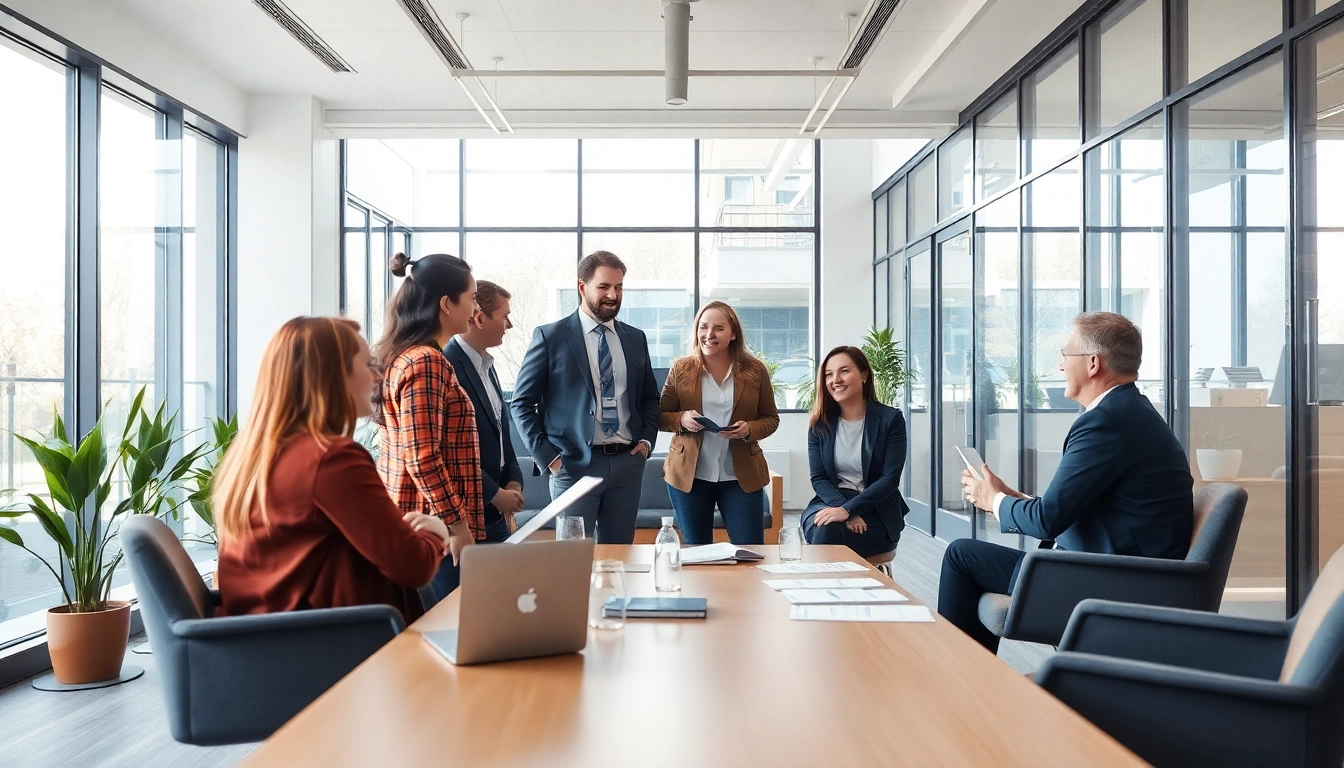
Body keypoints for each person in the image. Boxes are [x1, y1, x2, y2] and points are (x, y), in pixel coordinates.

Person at [941, 311, 1194, 652]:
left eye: (1065, 355)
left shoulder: (1104, 422)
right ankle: (972, 688)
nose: (1060, 366)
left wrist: (993, 501)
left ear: (1093, 364)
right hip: (1127, 571)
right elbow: (1070, 510)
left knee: (961, 556)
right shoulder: (1131, 411)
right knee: (966, 553)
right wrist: (1010, 498)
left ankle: (959, 689)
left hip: (1112, 582)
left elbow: (1048, 520)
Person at [214, 317, 448, 624]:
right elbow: (413, 567)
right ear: (334, 376)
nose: (378, 376)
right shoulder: (330, 459)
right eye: (367, 365)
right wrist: (436, 532)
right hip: (330, 645)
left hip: (269, 640)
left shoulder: (256, 454)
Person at [511, 250, 660, 544]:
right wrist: (550, 458)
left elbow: (649, 398)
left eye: (618, 287)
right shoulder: (549, 337)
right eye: (604, 286)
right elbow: (522, 404)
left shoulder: (635, 338)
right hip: (573, 466)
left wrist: (646, 441)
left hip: (627, 465)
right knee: (571, 562)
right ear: (582, 287)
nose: (613, 295)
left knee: (620, 558)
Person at [374, 252, 484, 601]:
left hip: (419, 524)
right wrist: (458, 525)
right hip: (435, 533)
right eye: (471, 298)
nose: (475, 308)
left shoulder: (404, 355)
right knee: (446, 634)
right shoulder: (426, 362)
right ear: (446, 304)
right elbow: (422, 457)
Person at [658, 301, 780, 545]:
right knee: (698, 554)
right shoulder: (681, 369)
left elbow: (771, 419)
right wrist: (681, 419)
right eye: (703, 327)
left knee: (750, 554)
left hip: (740, 478)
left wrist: (749, 429)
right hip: (689, 477)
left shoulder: (755, 370)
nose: (709, 335)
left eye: (718, 328)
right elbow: (660, 415)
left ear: (733, 333)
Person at [801, 346, 909, 558]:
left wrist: (850, 510)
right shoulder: (819, 425)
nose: (836, 380)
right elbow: (819, 478)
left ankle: (816, 587)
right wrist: (845, 511)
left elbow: (889, 479)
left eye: (844, 371)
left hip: (877, 510)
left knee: (826, 533)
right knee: (825, 526)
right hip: (830, 501)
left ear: (864, 375)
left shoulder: (891, 420)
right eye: (829, 374)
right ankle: (829, 588)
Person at [444, 280, 524, 542]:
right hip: (466, 516)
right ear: (479, 318)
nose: (509, 325)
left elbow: (500, 429)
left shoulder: (487, 364)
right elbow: (450, 451)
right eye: (505, 317)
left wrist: (513, 478)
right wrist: (495, 494)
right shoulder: (448, 367)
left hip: (495, 511)